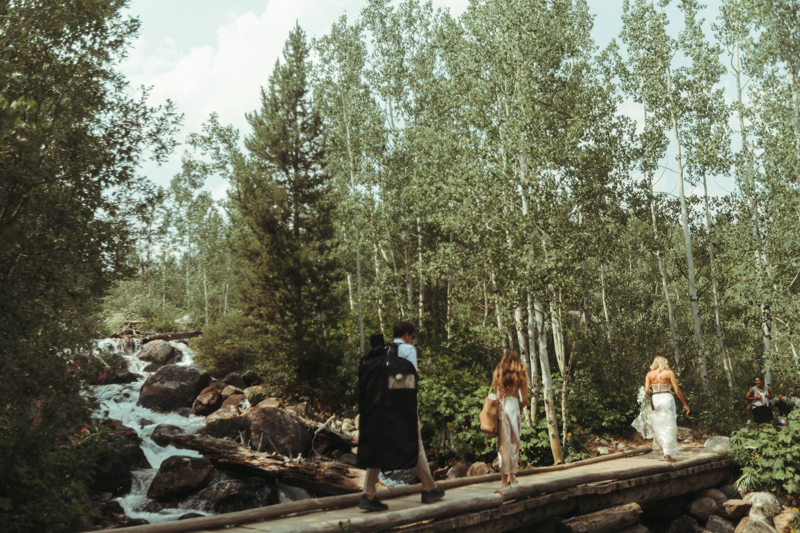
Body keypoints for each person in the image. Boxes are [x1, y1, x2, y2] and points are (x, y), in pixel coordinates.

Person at [359, 321, 445, 512]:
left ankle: (368, 495)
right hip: (403, 410)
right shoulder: (407, 350)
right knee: (416, 445)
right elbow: (409, 380)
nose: (412, 339)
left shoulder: (383, 351)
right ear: (407, 335)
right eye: (412, 336)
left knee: (378, 448)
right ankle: (429, 489)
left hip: (380, 410)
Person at [492, 349, 529, 489]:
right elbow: (525, 399)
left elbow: (496, 395)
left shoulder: (498, 373)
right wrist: (518, 409)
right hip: (513, 406)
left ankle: (503, 482)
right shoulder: (520, 374)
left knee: (503, 444)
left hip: (502, 407)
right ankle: (511, 477)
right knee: (514, 443)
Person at [644, 356, 690, 463]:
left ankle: (666, 452)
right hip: (666, 398)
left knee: (659, 425)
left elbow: (647, 390)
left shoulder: (649, 374)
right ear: (664, 362)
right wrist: (685, 404)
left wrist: (652, 397)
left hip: (655, 398)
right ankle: (667, 453)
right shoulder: (669, 373)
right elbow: (677, 390)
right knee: (668, 425)